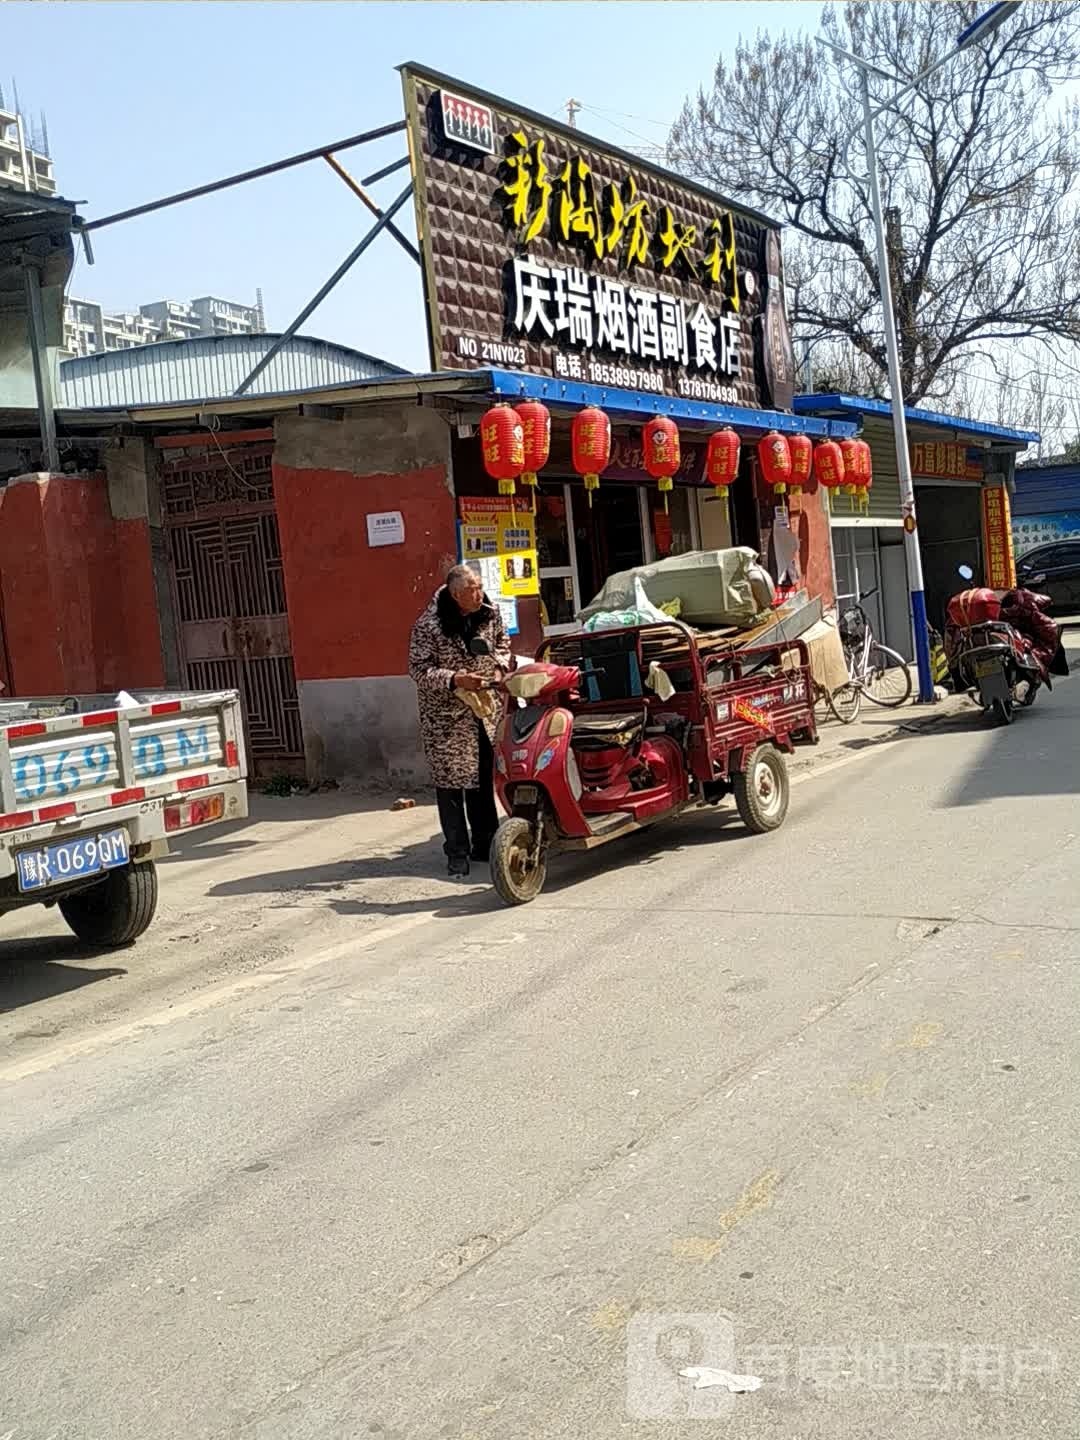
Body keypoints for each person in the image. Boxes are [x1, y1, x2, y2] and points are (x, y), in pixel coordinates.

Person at [408, 565, 511, 879]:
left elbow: (503, 646)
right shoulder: (428, 625)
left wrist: (498, 671)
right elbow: (418, 669)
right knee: (451, 785)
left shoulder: (489, 613)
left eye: (480, 586)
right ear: (455, 594)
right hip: (446, 717)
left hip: (483, 710)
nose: (479, 593)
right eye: (472, 589)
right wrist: (455, 679)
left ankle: (486, 844)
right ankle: (457, 853)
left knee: (482, 779)